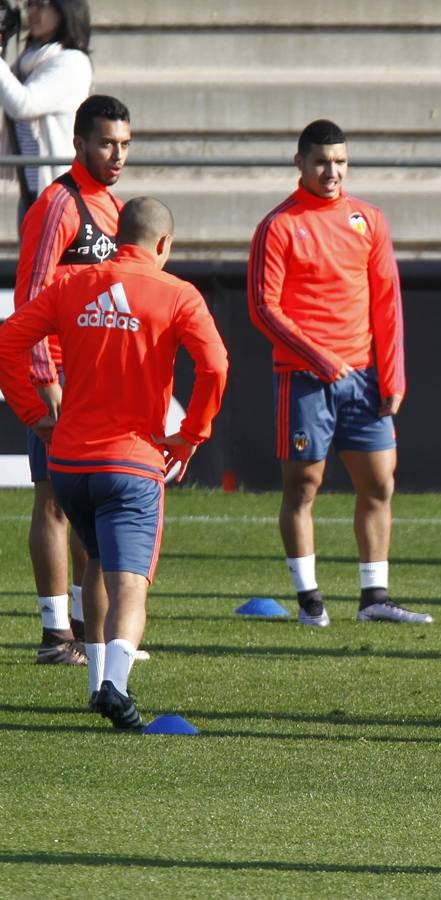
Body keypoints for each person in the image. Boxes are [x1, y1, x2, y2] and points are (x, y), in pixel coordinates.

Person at [0, 196, 228, 728]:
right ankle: (117, 688)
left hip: (71, 463)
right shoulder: (178, 293)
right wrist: (192, 434)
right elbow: (215, 365)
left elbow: (7, 341)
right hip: (132, 463)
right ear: (165, 245)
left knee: (97, 566)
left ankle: (96, 682)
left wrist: (35, 413)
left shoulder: (72, 285)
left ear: (114, 235)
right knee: (130, 581)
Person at [247, 119, 429, 627]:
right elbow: (264, 307)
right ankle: (310, 601)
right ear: (300, 163)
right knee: (304, 487)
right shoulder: (279, 225)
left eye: (341, 162)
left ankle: (374, 597)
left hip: (366, 378)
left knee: (379, 484)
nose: (333, 171)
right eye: (323, 162)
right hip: (306, 379)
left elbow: (387, 301)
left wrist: (393, 377)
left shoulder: (368, 219)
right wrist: (320, 359)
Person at [14, 92, 128, 666]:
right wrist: (44, 378)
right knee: (55, 503)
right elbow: (32, 299)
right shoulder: (58, 206)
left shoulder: (112, 206)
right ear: (79, 142)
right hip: (58, 379)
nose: (117, 155)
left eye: (125, 144)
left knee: (91, 506)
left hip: (98, 380)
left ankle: (90, 633)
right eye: (106, 143)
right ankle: (56, 637)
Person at [1, 0, 92, 225]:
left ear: (65, 9)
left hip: (61, 194)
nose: (32, 12)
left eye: (41, 4)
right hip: (33, 192)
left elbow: (23, 104)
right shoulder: (28, 61)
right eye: (29, 4)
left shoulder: (72, 62)